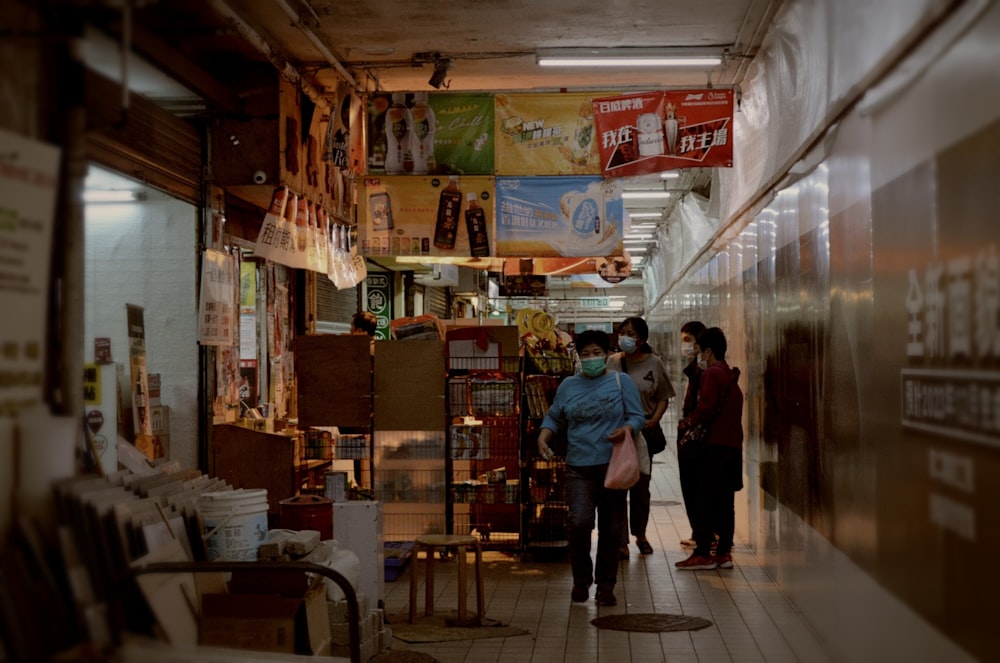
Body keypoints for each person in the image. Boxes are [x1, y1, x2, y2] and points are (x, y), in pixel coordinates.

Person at [537, 329, 646, 606]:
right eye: (585, 354)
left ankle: (606, 586)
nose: (591, 359)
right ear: (578, 358)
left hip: (614, 466)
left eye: (596, 353)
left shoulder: (621, 382)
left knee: (611, 530)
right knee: (579, 522)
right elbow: (554, 416)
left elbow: (637, 416)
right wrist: (543, 435)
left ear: (606, 355)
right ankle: (581, 579)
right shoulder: (568, 386)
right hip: (579, 467)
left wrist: (626, 429)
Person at [675, 327, 744, 570]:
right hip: (732, 445)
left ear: (708, 351)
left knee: (704, 499)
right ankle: (723, 552)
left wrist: (688, 421)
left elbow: (706, 407)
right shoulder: (729, 373)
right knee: (725, 501)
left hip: (714, 446)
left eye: (701, 350)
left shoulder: (712, 374)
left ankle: (703, 552)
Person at [607, 316, 675, 558]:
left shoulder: (654, 364)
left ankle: (641, 534)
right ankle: (620, 541)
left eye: (631, 333)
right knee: (617, 488)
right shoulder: (612, 362)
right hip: (618, 433)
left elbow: (663, 396)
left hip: (644, 433)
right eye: (623, 332)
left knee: (640, 489)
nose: (625, 337)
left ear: (642, 339)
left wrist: (654, 419)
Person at [677, 320, 707, 548]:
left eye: (688, 340)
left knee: (696, 487)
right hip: (694, 435)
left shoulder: (704, 371)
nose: (684, 346)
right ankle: (701, 533)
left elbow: (703, 405)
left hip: (696, 439)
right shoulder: (696, 368)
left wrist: (687, 423)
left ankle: (704, 535)